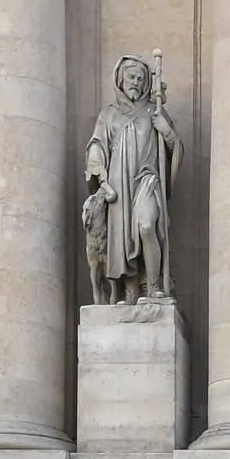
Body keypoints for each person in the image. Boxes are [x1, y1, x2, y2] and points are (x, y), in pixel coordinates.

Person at [85, 54, 180, 303]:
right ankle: (130, 292)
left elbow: (175, 148)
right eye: (131, 77)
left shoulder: (154, 111)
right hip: (119, 184)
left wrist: (167, 131)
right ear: (120, 79)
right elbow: (97, 144)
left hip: (147, 179)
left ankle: (154, 285)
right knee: (123, 237)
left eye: (140, 78)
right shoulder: (109, 114)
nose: (135, 82)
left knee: (146, 225)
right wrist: (98, 165)